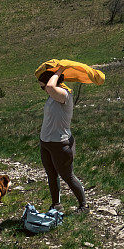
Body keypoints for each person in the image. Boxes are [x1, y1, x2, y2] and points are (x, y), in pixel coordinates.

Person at [38, 65, 88, 214]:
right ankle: (56, 205)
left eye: (44, 87)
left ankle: (84, 206)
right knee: (51, 175)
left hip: (60, 144)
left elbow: (51, 87)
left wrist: (59, 71)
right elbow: (50, 87)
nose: (44, 89)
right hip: (46, 142)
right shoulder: (52, 96)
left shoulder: (64, 95)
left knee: (67, 176)